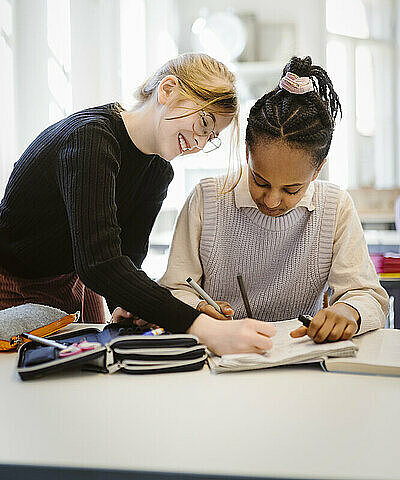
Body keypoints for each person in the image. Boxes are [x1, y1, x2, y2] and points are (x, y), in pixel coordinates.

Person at [0, 52, 276, 356]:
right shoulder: (91, 139)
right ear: (167, 90)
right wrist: (203, 327)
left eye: (210, 137)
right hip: (11, 278)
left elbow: (127, 257)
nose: (199, 144)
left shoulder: (158, 171)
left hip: (72, 279)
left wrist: (125, 304)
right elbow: (100, 263)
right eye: (203, 123)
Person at [159, 56, 389, 343]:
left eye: (292, 189)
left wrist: (348, 310)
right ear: (247, 153)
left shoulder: (335, 206)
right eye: (260, 180)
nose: (271, 200)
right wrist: (196, 307)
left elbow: (369, 295)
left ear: (318, 169)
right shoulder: (209, 199)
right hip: (221, 360)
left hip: (301, 359)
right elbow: (174, 288)